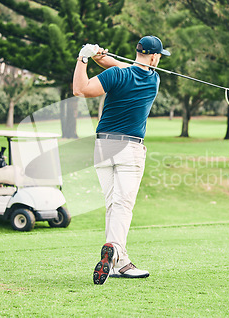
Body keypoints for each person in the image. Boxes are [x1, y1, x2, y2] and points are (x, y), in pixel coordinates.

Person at [73, 36, 170, 285]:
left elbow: (80, 89)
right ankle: (114, 251)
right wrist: (96, 57)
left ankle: (120, 263)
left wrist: (85, 58)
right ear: (154, 57)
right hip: (130, 148)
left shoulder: (117, 76)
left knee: (113, 206)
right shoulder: (153, 80)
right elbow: (115, 70)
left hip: (102, 146)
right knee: (123, 206)